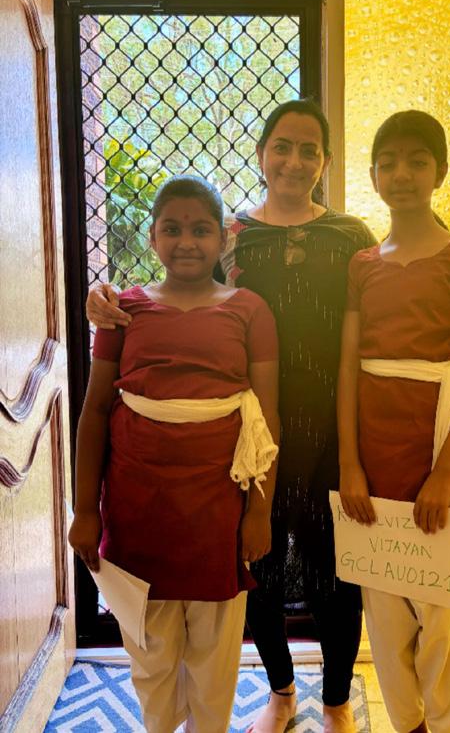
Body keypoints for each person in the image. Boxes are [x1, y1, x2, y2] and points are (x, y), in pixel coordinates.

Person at [86, 99, 377, 733]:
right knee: (257, 569)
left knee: (336, 571)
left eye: (308, 149)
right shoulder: (233, 233)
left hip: (333, 428)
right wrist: (101, 295)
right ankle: (280, 692)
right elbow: (176, 290)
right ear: (261, 154)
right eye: (282, 146)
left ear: (325, 161)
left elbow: (386, 300)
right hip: (244, 438)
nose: (294, 160)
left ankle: (335, 700)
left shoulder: (352, 236)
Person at [69, 175, 280, 733]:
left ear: (224, 237)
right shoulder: (123, 311)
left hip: (219, 505)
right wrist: (86, 510)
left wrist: (259, 511)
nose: (187, 242)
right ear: (153, 236)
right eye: (172, 229)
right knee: (150, 647)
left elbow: (266, 419)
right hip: (138, 505)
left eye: (201, 230)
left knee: (215, 651)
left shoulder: (250, 310)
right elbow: (95, 411)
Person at [337, 110, 450, 733]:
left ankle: (446, 724)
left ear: (440, 172)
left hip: (436, 444)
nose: (402, 174)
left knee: (439, 614)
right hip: (375, 453)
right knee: (384, 610)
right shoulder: (363, 263)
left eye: (417, 161)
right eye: (389, 163)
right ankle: (406, 725)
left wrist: (445, 471)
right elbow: (349, 369)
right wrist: (350, 464)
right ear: (373, 175)